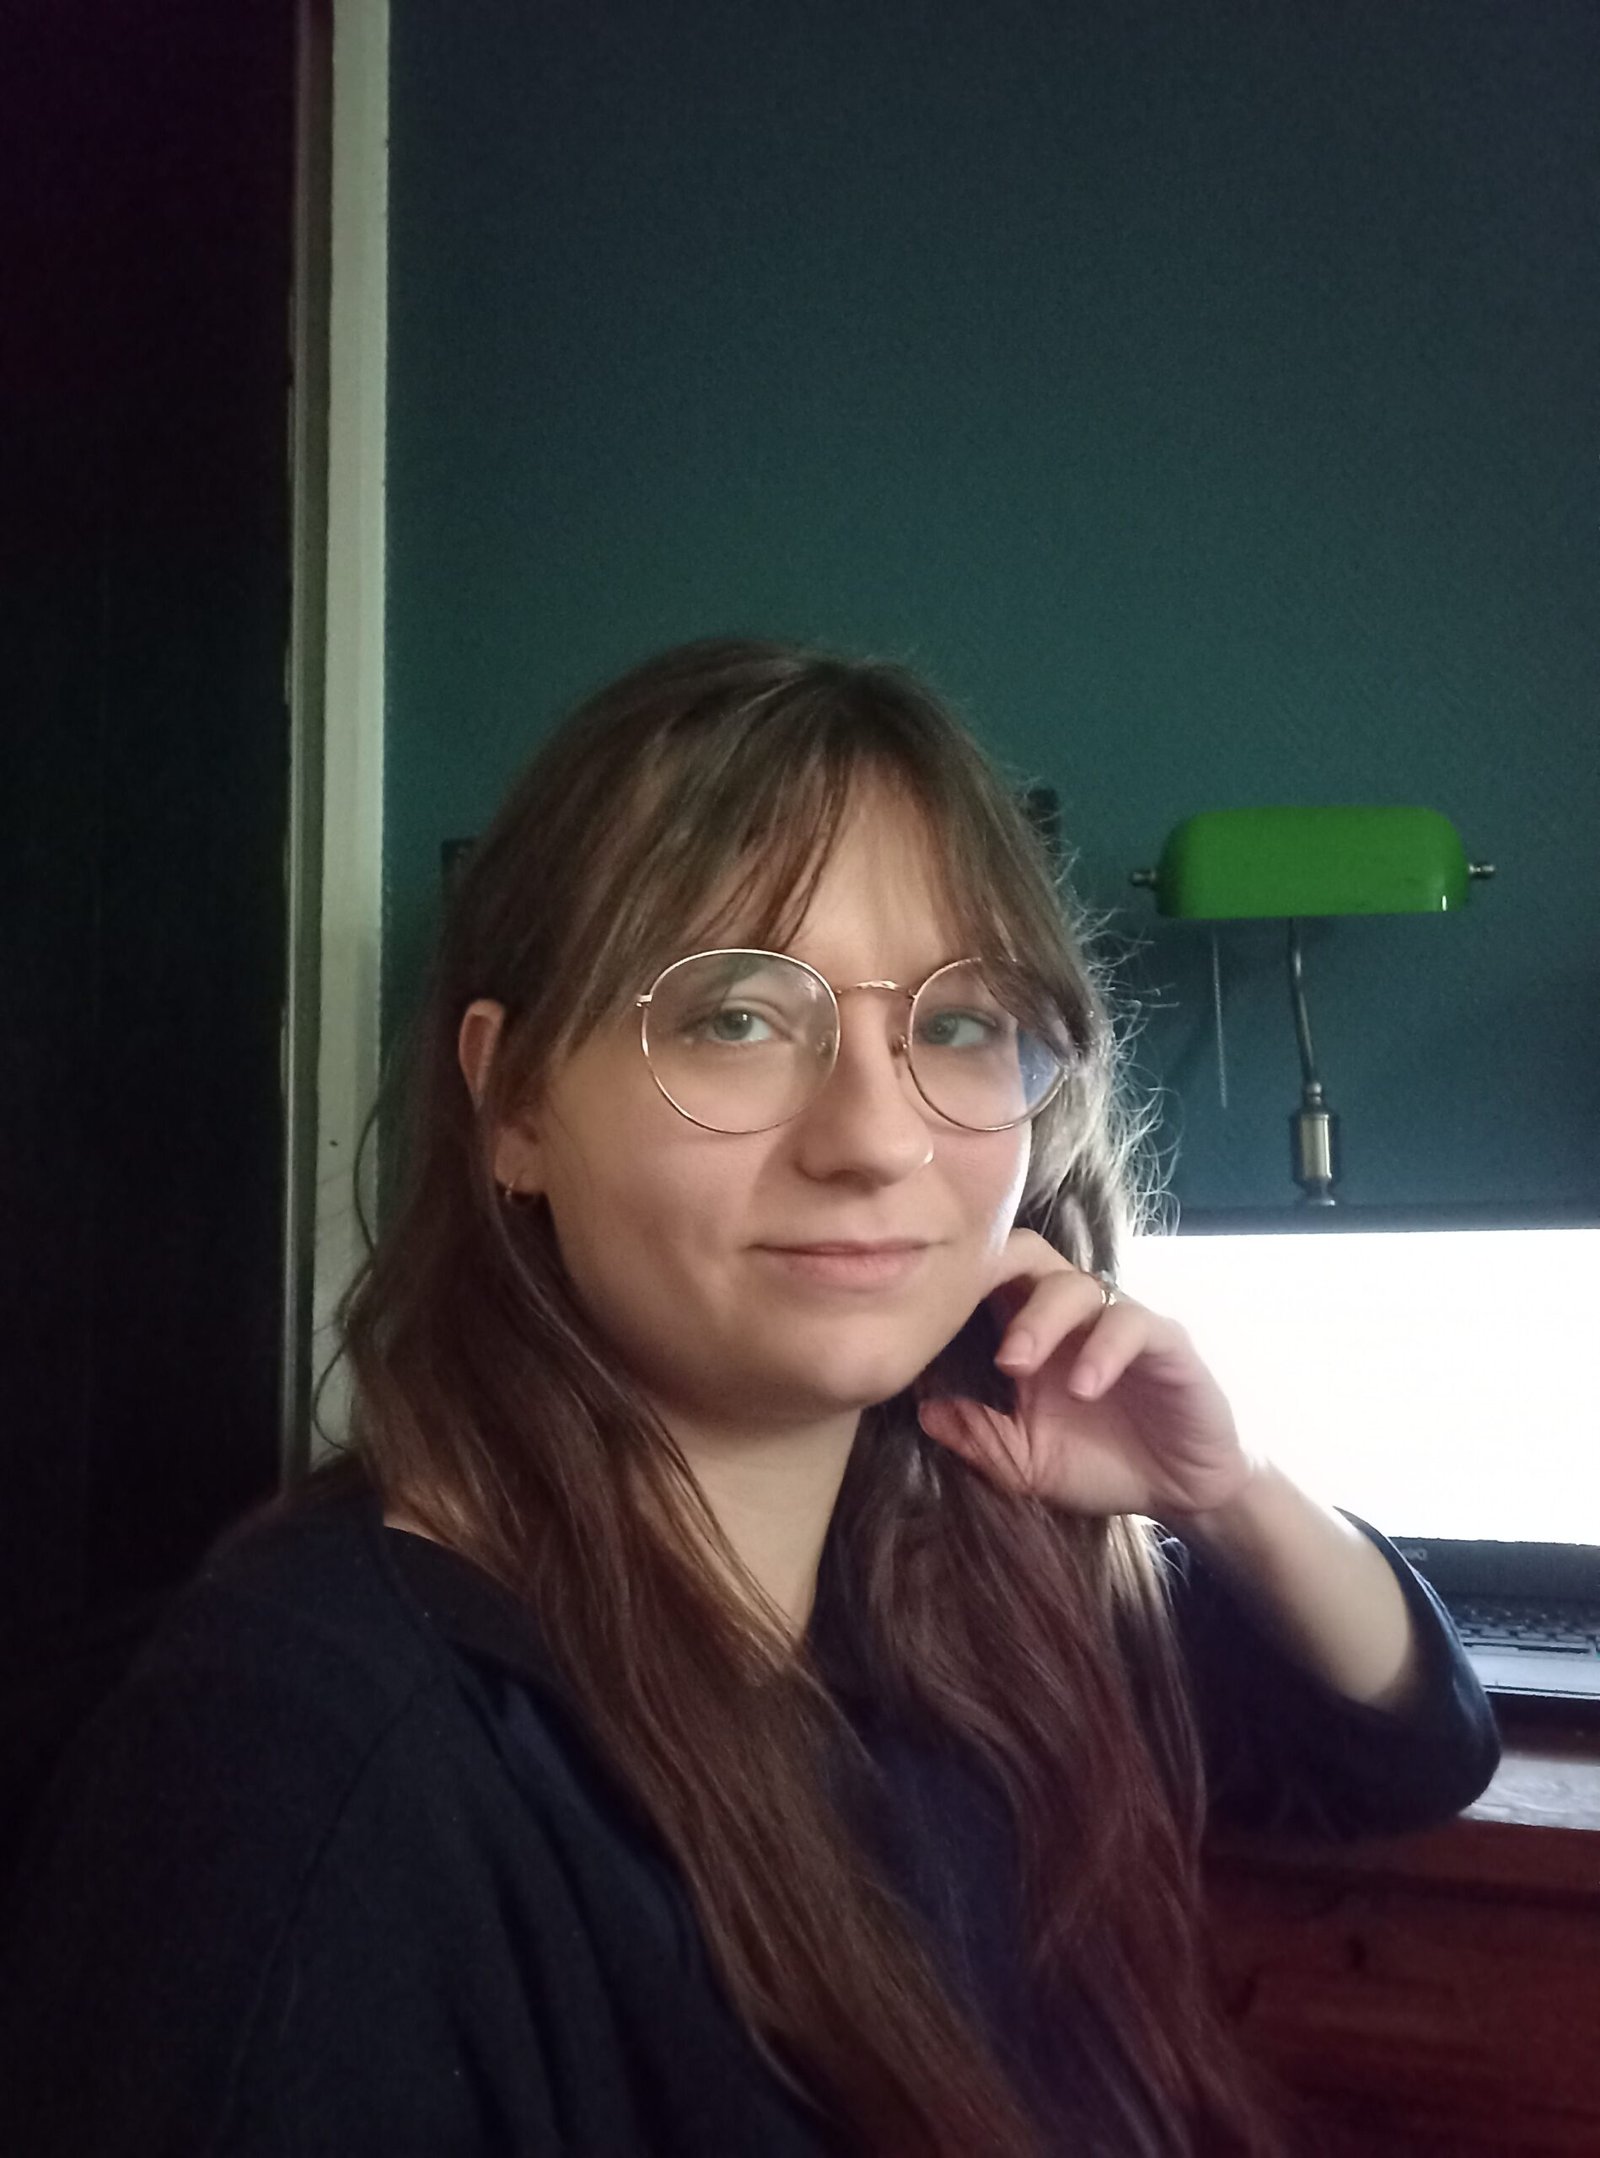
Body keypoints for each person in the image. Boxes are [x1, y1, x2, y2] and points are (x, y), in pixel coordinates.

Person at [0, 639, 1498, 2157]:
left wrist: (1224, 1491)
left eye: (956, 1024)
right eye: (736, 1016)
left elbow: (1407, 1749)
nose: (875, 1138)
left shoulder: (947, 1591)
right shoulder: (306, 1773)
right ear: (513, 1102)